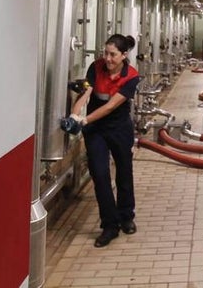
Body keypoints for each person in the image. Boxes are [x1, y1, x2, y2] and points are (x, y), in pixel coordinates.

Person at [66, 34, 141, 247]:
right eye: (105, 53)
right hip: (96, 130)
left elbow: (110, 106)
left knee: (124, 171)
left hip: (118, 128)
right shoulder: (96, 66)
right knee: (99, 174)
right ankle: (110, 225)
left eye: (112, 55)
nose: (107, 58)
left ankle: (126, 216)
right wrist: (74, 114)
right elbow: (86, 93)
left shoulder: (131, 76)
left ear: (123, 55)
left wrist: (84, 120)